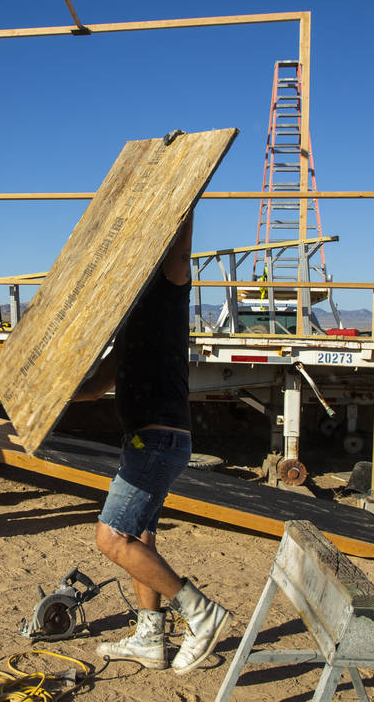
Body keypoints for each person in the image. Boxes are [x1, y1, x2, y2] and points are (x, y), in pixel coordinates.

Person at [74, 214, 232, 674]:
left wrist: (185, 188)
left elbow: (180, 252)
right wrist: (48, 392)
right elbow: (100, 381)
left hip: (158, 438)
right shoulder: (128, 318)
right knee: (141, 536)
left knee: (112, 537)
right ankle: (150, 636)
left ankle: (201, 613)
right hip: (147, 438)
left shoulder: (165, 288)